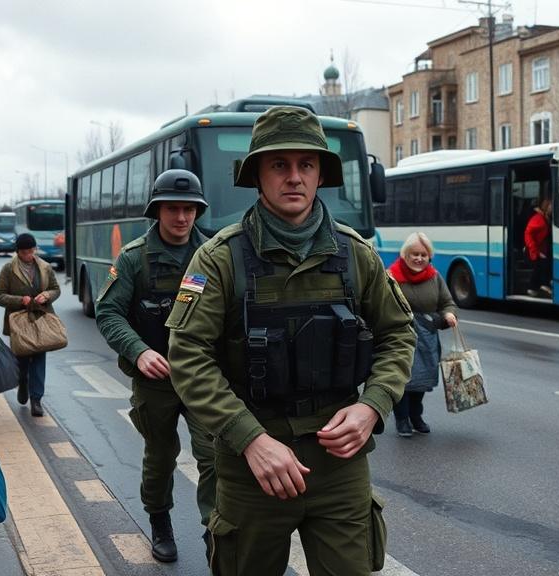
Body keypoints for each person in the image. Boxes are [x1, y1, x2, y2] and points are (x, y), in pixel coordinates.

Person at [166, 106, 415, 575]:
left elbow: (398, 334)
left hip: (340, 463)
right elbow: (189, 358)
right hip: (252, 467)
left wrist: (372, 406)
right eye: (279, 164)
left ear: (321, 174)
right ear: (258, 174)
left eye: (306, 164)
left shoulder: (356, 255)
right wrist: (250, 439)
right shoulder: (219, 259)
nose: (294, 177)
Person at [95, 169, 216, 563]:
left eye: (189, 209)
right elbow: (109, 312)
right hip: (156, 380)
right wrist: (139, 351)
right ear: (157, 211)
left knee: (214, 456)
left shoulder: (214, 254)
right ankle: (159, 522)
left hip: (204, 377)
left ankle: (216, 531)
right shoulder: (134, 258)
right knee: (160, 455)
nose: (182, 218)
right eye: (172, 209)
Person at [387, 232, 457, 438]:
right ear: (405, 255)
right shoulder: (390, 276)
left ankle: (416, 416)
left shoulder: (435, 277)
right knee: (402, 379)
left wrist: (449, 315)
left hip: (426, 337)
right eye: (414, 254)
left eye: (423, 255)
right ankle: (402, 419)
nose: (419, 259)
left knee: (421, 382)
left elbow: (447, 303)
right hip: (400, 336)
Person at [0, 232, 61, 416]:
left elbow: (55, 289)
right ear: (18, 252)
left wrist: (47, 295)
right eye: (25, 252)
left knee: (39, 359)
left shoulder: (45, 267)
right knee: (22, 361)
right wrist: (19, 300)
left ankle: (36, 399)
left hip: (40, 319)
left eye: (31, 251)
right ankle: (22, 383)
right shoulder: (8, 269)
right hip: (19, 323)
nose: (29, 255)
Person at [524, 197, 552, 297]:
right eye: (551, 206)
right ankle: (539, 286)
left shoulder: (546, 218)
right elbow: (528, 234)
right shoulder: (538, 219)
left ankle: (536, 288)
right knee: (542, 263)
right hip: (533, 250)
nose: (552, 208)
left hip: (541, 249)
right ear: (546, 207)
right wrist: (535, 250)